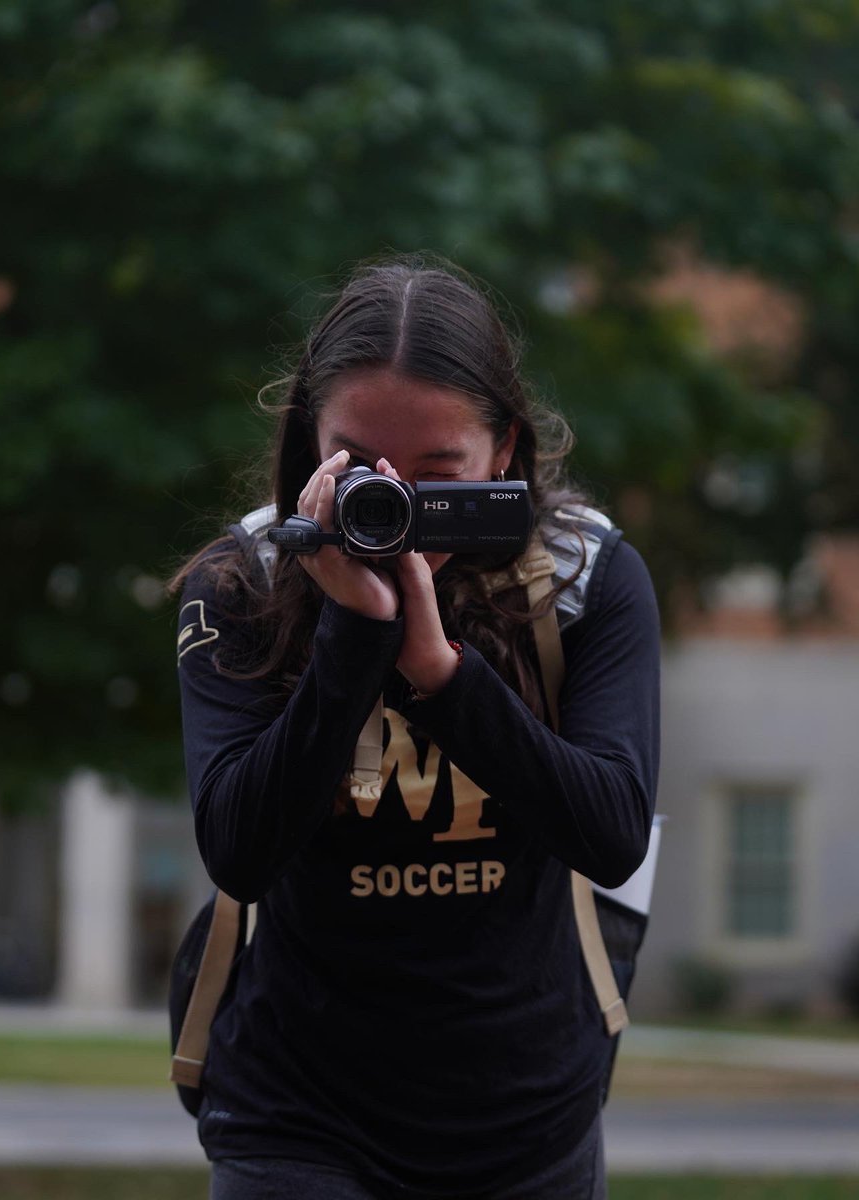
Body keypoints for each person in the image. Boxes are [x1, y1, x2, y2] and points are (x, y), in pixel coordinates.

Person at [173, 258, 660, 1200]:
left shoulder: (584, 579)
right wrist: (354, 635)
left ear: (503, 449)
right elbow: (238, 850)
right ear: (310, 442)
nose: (393, 505)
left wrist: (439, 672)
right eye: (360, 468)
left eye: (437, 475)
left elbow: (610, 831)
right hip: (298, 1112)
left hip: (527, 1121)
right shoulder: (243, 583)